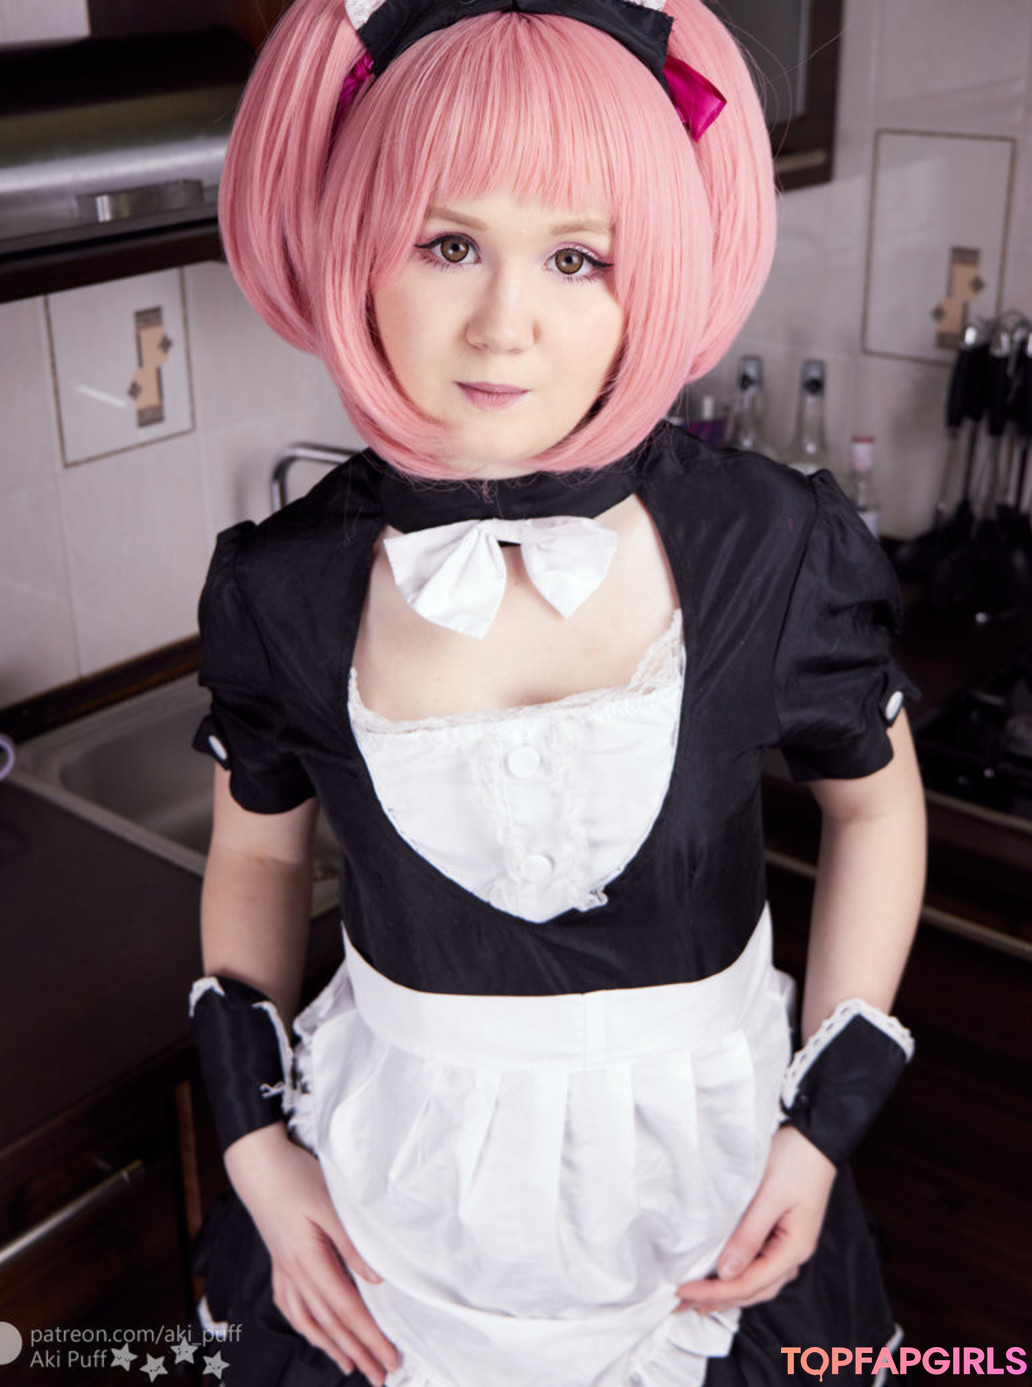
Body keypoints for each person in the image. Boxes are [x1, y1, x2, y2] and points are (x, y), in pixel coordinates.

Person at [188, 0, 927, 1382]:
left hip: (715, 1192)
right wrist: (255, 1150)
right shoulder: (278, 588)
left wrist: (819, 1128)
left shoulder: (770, 546)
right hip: (385, 1209)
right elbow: (257, 850)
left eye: (578, 257)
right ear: (349, 242)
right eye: (447, 243)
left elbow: (876, 809)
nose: (505, 325)